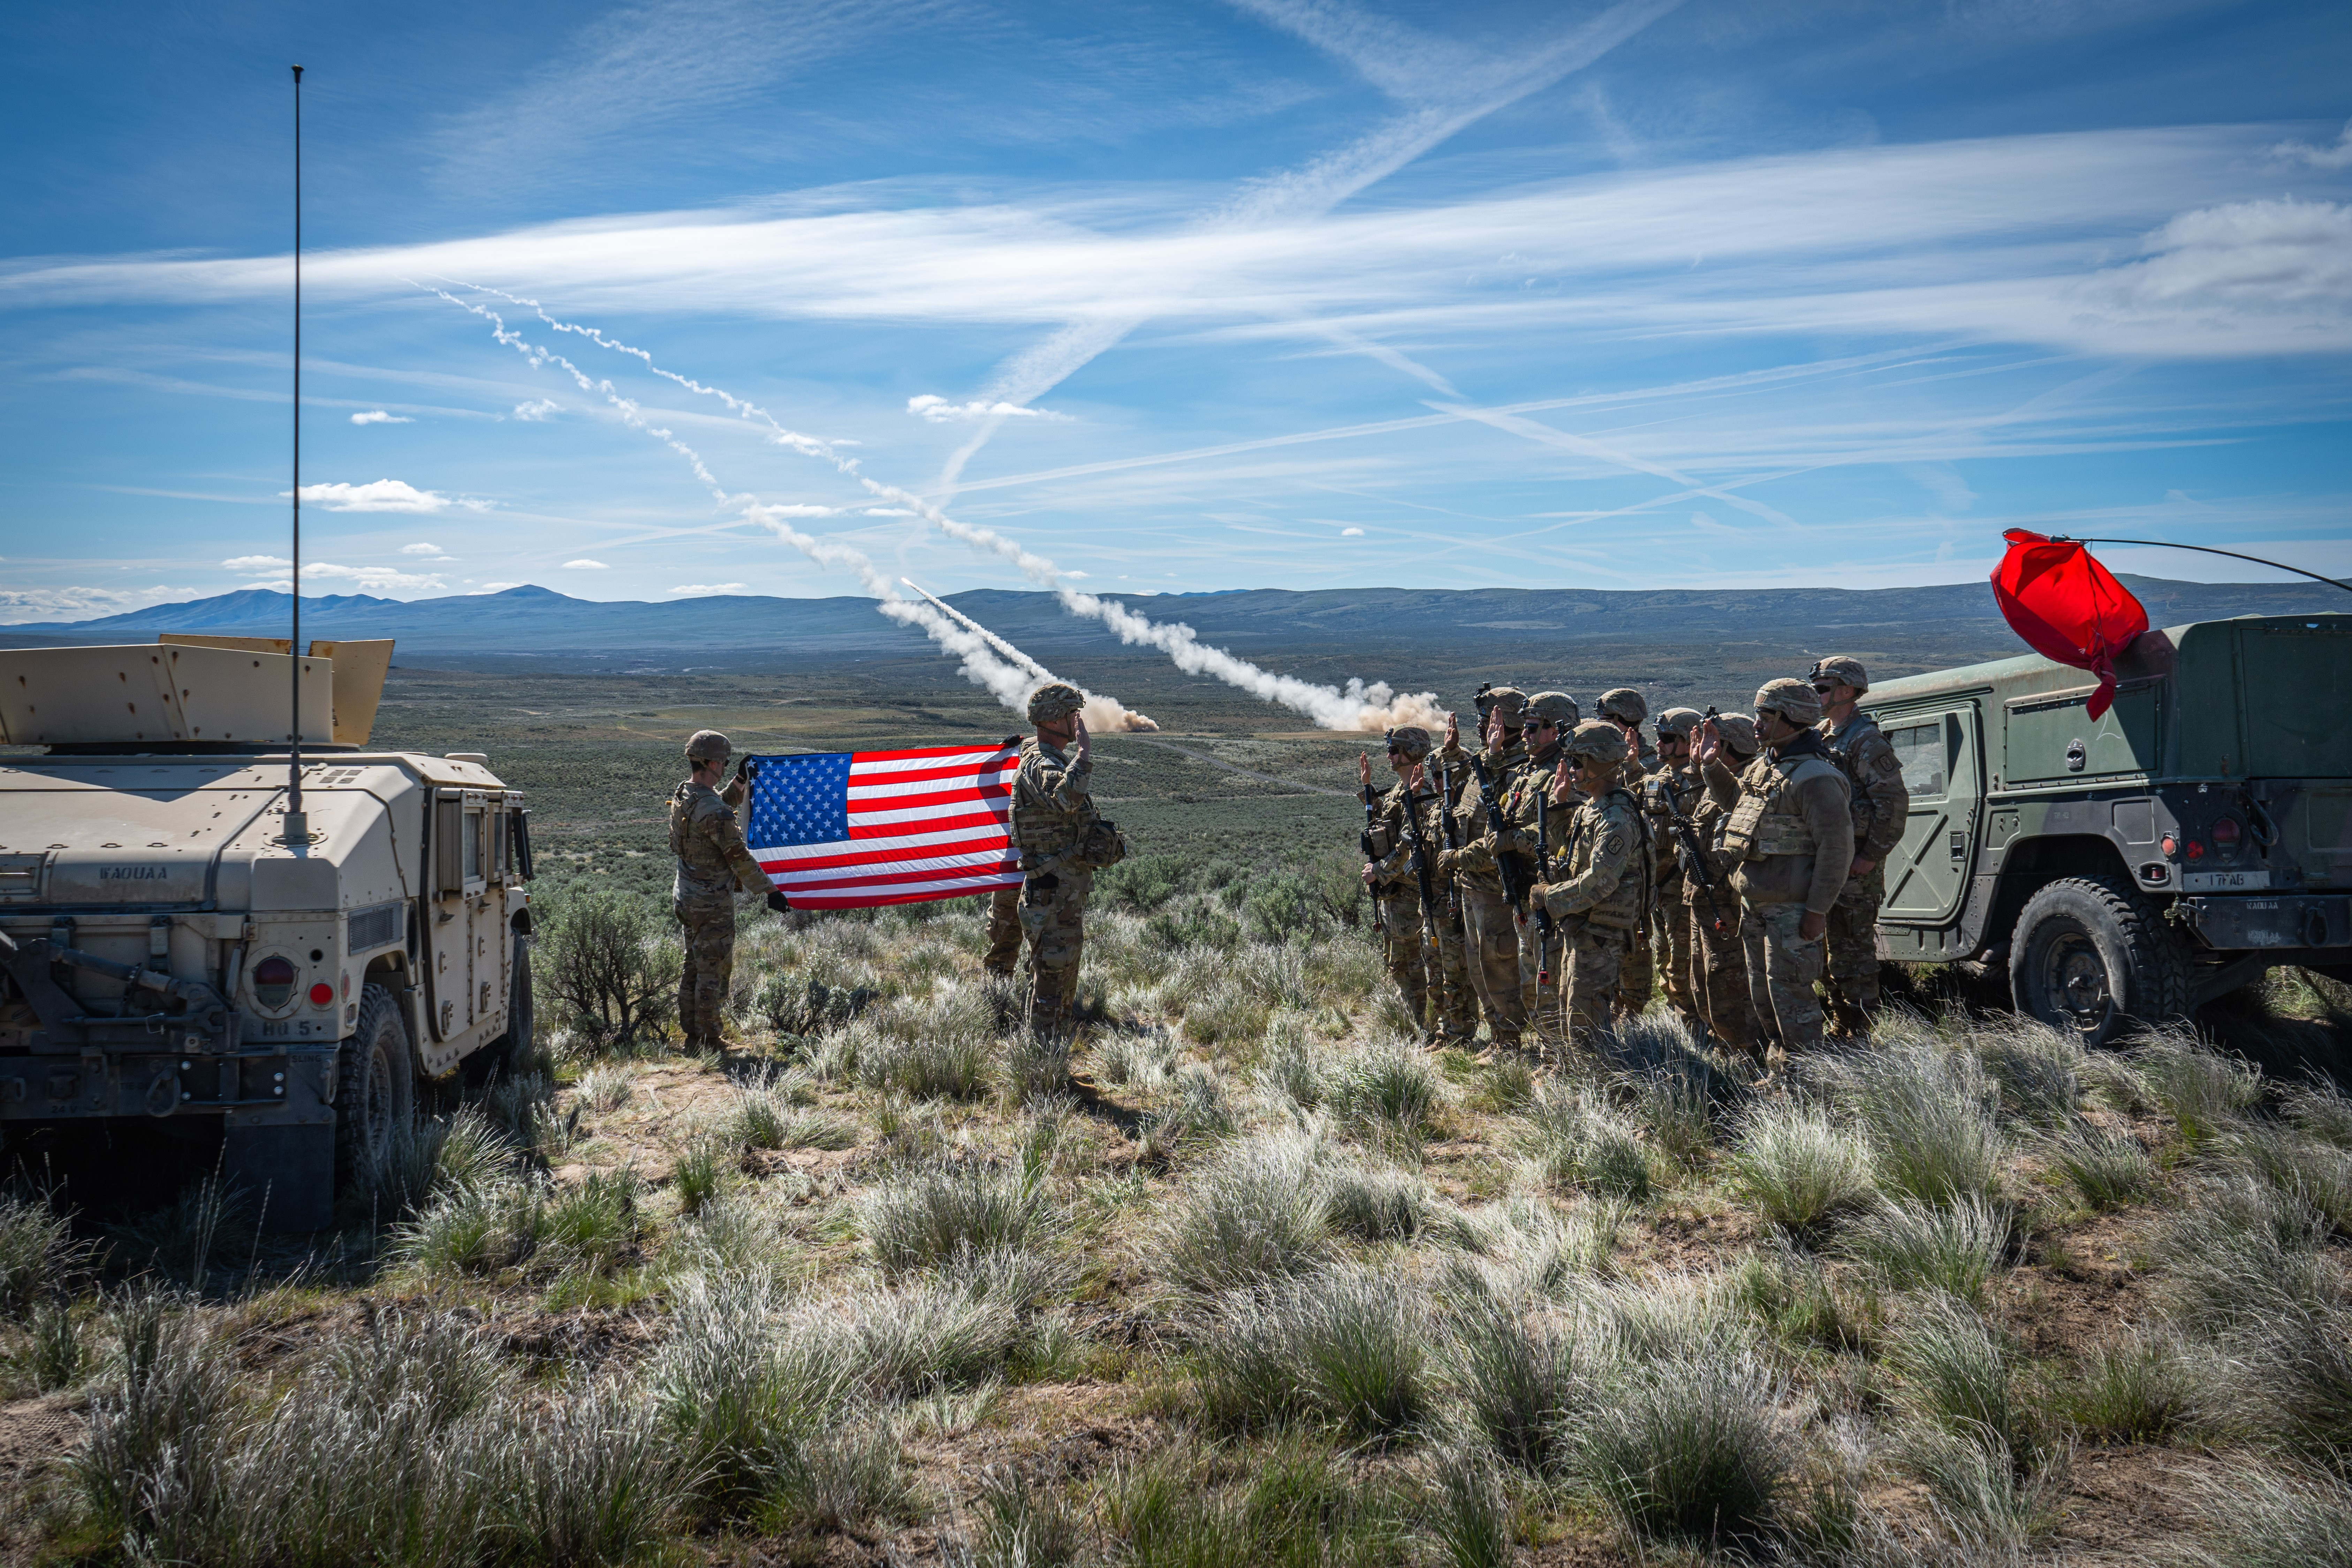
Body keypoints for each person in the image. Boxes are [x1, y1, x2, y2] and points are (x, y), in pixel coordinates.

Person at [1697, 681, 1853, 1057]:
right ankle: (1780, 1072)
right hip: (1755, 907)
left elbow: (1836, 849)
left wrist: (1816, 911)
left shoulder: (1815, 777)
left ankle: (1807, 1081)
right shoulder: (1765, 767)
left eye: (1765, 717)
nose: (1756, 725)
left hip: (1792, 912)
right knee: (1764, 996)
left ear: (1792, 719)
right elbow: (1739, 809)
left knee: (1793, 1002)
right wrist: (1710, 767)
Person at [1532, 720, 1652, 1048]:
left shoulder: (1616, 818)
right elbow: (1571, 853)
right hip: (1584, 927)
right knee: (1570, 1009)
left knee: (1586, 1023)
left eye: (1577, 762)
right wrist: (1559, 806)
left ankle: (1602, 1087)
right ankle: (1573, 1079)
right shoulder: (1593, 810)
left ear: (1597, 763)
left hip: (1602, 934)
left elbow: (1600, 882)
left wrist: (1548, 896)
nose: (1570, 769)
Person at [671, 729, 790, 1050]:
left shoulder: (685, 795)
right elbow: (738, 856)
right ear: (710, 763)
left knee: (694, 964)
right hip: (711, 903)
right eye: (722, 762)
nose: (723, 765)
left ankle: (692, 1034)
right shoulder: (715, 812)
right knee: (714, 969)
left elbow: (714, 808)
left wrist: (739, 781)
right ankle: (710, 1039)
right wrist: (770, 891)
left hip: (686, 896)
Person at [1810, 657, 1910, 1036]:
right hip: (1828, 860)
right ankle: (1841, 1021)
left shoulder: (1865, 740)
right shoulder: (1823, 735)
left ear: (1847, 691)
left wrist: (1870, 856)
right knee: (1822, 949)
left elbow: (1894, 803)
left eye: (1822, 688)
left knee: (1852, 950)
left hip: (1854, 865)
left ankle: (1861, 1030)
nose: (1816, 695)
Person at [1010, 683, 1116, 1033]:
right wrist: (1084, 755)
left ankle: (1047, 1061)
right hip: (1053, 896)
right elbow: (1066, 799)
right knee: (1052, 986)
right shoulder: (1042, 764)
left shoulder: (1045, 759)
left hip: (1058, 894)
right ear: (1054, 720)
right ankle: (1044, 1070)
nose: (1078, 722)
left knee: (1052, 978)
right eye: (1073, 715)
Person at [1435, 686, 1531, 1055]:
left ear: (1505, 722)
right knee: (1477, 965)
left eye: (1487, 719)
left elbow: (1499, 827)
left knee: (1499, 964)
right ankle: (1496, 1035)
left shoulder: (1516, 768)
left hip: (1495, 887)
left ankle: (1509, 1040)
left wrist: (1458, 859)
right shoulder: (1485, 762)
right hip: (1470, 885)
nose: (1481, 726)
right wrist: (1453, 751)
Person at [1499, 692, 1579, 1052]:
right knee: (1532, 983)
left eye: (1532, 728)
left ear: (1554, 730)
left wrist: (1512, 838)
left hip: (1549, 897)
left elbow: (1565, 837)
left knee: (1549, 986)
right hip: (1523, 895)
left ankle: (1558, 1058)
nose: (1525, 735)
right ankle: (1550, 1052)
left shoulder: (1565, 774)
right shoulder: (1526, 775)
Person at [1683, 713, 1766, 1055]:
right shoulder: (1713, 785)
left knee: (1727, 981)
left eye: (1715, 743)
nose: (1706, 748)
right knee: (1702, 981)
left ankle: (1745, 1049)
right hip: (1701, 901)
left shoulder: (1743, 789)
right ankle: (1723, 1044)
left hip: (1725, 906)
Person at [1360, 726, 1441, 1040]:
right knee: (1398, 963)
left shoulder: (1421, 796)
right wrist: (1367, 787)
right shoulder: (1399, 791)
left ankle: (1427, 1027)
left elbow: (1409, 845)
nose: (1389, 756)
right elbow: (1382, 826)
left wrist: (1379, 870)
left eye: (1395, 751)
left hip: (1410, 895)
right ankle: (1412, 1025)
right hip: (1394, 896)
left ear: (1411, 753)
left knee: (1413, 965)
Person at [1595, 687, 1657, 1017]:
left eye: (1606, 720)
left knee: (1635, 954)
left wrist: (1633, 768)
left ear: (1624, 722)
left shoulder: (1651, 764)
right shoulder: (1607, 759)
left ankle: (1633, 1018)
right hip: (1608, 873)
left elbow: (1647, 811)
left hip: (1636, 878)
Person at [1644, 708, 1706, 1033]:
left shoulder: (1700, 782)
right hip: (1659, 889)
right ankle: (1681, 1020)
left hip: (1683, 890)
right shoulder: (1656, 779)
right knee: (1663, 959)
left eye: (1668, 739)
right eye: (1660, 738)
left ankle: (1697, 1025)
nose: (1660, 744)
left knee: (1683, 962)